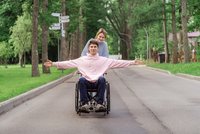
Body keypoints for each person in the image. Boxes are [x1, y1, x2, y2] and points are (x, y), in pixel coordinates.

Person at [44, 39, 143, 112]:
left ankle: (100, 103)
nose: (93, 48)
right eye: (91, 47)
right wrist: (53, 64)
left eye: (95, 47)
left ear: (97, 49)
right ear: (88, 48)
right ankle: (85, 103)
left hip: (98, 83)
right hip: (86, 82)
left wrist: (133, 62)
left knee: (102, 79)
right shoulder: (82, 59)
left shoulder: (104, 60)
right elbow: (68, 63)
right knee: (81, 80)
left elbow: (118, 62)